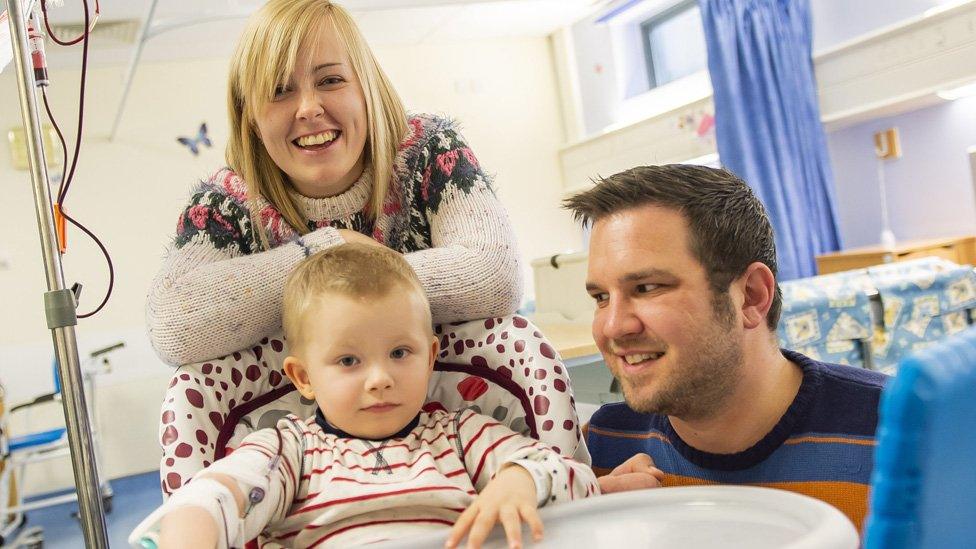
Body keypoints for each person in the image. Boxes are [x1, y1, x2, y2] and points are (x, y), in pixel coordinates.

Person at [132, 244, 598, 549]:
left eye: (400, 352)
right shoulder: (289, 450)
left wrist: (518, 481)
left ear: (431, 355)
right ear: (303, 377)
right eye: (349, 361)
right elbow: (225, 492)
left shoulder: (462, 434)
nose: (379, 378)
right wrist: (192, 527)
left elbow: (572, 476)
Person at [146, 0, 522, 368]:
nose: (308, 108)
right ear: (251, 120)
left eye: (331, 80)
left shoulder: (431, 151)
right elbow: (172, 324)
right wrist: (328, 247)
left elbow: (494, 274)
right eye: (279, 90)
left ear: (367, 90)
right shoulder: (225, 204)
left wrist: (347, 269)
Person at [563, 165, 887, 530]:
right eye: (601, 297)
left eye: (648, 287)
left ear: (750, 296)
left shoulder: (900, 433)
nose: (613, 326)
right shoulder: (603, 448)